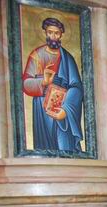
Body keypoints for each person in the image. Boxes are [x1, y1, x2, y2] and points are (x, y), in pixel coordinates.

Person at [22, 17, 83, 152]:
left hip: (62, 106)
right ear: (45, 32)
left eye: (56, 33)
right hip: (42, 107)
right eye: (50, 32)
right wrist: (43, 81)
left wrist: (66, 110)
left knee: (64, 146)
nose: (53, 36)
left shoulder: (68, 58)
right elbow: (26, 84)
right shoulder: (37, 55)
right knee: (46, 148)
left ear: (61, 33)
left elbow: (77, 87)